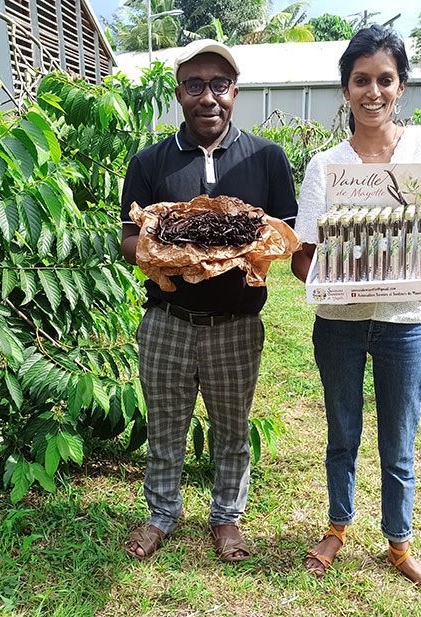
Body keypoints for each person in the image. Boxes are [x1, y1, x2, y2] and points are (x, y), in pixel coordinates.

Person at [291, 25, 421, 595]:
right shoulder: (326, 166)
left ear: (401, 87)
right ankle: (337, 528)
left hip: (404, 324)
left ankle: (399, 544)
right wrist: (322, 274)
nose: (373, 91)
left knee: (399, 441)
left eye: (384, 80)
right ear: (345, 89)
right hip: (339, 325)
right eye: (361, 80)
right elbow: (305, 257)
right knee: (342, 433)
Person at [120, 40, 298, 562]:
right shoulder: (151, 160)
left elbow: (283, 234)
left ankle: (227, 519)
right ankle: (160, 515)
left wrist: (251, 251)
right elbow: (128, 239)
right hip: (167, 320)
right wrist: (163, 253)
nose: (207, 97)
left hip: (235, 324)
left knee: (231, 427)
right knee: (165, 424)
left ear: (234, 92)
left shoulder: (266, 158)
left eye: (218, 85)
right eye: (195, 85)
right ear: (178, 94)